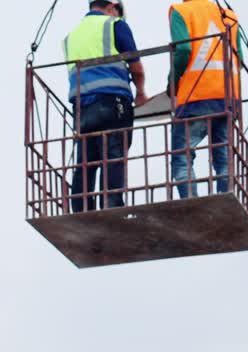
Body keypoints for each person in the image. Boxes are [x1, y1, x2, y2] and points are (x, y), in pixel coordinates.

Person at [64, 0, 147, 212]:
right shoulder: (114, 25)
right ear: (112, 7)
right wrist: (140, 91)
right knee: (113, 155)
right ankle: (112, 207)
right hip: (112, 102)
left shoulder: (71, 37)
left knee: (86, 161)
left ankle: (81, 208)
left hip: (82, 108)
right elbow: (135, 65)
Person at [168, 0, 244, 198]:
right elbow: (240, 58)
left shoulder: (181, 12)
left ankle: (189, 201)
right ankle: (226, 196)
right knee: (223, 154)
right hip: (227, 96)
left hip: (197, 96)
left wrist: (172, 81)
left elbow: (183, 50)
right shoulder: (228, 15)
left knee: (182, 155)